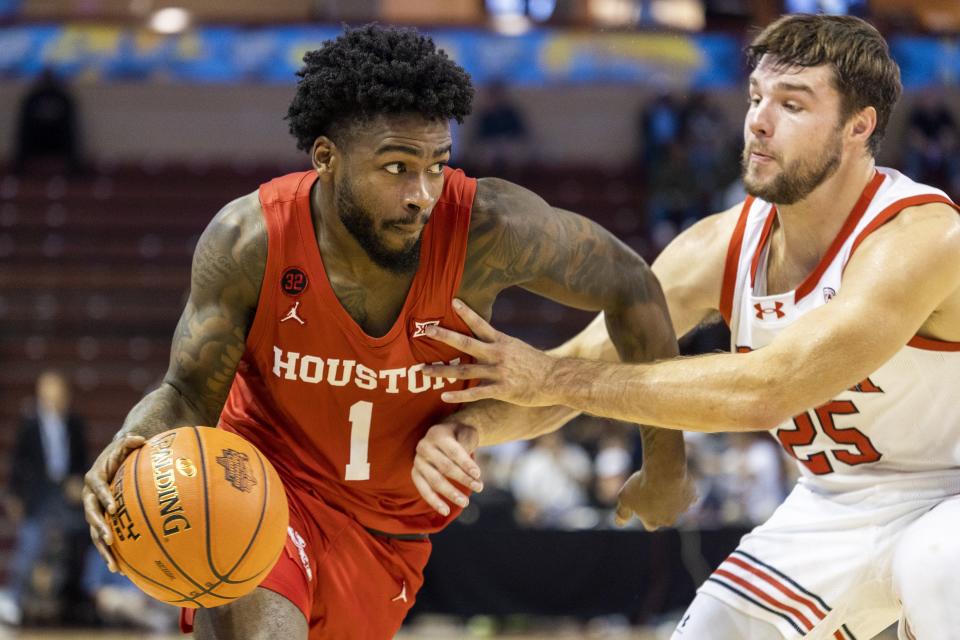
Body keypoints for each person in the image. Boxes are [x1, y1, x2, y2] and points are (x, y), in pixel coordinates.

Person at [80, 24, 694, 640]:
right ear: (326, 158)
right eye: (397, 167)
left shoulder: (487, 228)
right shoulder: (251, 240)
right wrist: (133, 437)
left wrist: (666, 463)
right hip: (265, 487)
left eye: (437, 165)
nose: (421, 194)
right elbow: (187, 393)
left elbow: (632, 284)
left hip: (391, 530)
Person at [413, 14, 960, 640]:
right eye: (756, 97)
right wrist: (464, 431)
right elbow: (562, 378)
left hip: (952, 494)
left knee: (938, 569)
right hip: (835, 504)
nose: (758, 119)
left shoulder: (921, 239)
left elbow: (769, 390)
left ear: (859, 126)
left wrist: (559, 379)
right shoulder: (718, 247)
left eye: (793, 104)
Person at [0, 370, 89, 626]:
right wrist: (14, 496)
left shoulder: (75, 423)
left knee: (79, 541)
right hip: (38, 495)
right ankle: (15, 598)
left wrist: (78, 481)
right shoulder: (29, 424)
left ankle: (73, 601)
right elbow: (18, 463)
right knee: (30, 544)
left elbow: (83, 462)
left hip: (66, 494)